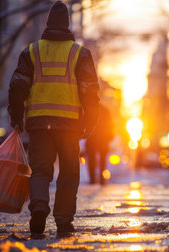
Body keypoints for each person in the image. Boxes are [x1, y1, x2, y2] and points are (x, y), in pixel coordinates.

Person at [7, 1, 99, 237]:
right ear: (67, 24)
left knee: (40, 170)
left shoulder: (32, 51)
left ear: (48, 24)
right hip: (69, 126)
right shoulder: (80, 53)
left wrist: (16, 116)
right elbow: (90, 91)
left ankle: (38, 208)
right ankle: (64, 221)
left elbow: (17, 85)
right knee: (69, 172)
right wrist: (91, 119)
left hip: (39, 123)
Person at [86, 104, 114, 185]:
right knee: (102, 159)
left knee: (92, 159)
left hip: (92, 138)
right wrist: (110, 136)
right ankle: (101, 178)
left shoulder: (90, 109)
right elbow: (110, 125)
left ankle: (92, 179)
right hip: (103, 139)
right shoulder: (106, 110)